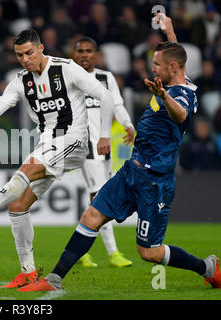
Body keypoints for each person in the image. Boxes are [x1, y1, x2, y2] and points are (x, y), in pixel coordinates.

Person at [19, 14, 221, 292]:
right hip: (132, 170)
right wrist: (170, 31)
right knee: (90, 217)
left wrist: (163, 96)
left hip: (155, 182)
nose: (152, 69)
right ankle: (53, 279)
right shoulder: (177, 75)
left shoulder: (181, 95)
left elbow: (181, 115)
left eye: (157, 65)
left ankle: (207, 268)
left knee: (149, 252)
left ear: (172, 68)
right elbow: (176, 56)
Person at [0, 29, 115, 288]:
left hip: (73, 141)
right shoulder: (20, 82)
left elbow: (105, 97)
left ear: (40, 49)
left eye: (29, 52)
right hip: (47, 144)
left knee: (27, 168)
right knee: (17, 206)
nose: (25, 59)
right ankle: (28, 271)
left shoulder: (67, 68)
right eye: (19, 55)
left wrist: (104, 135)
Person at [72, 36, 134, 268]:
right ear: (75, 54)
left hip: (104, 146)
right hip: (84, 147)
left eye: (89, 51)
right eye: (81, 51)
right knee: (101, 197)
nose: (85, 54)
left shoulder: (105, 78)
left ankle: (80, 250)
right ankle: (113, 252)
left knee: (96, 198)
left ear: (96, 54)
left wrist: (128, 125)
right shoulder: (69, 79)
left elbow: (117, 104)